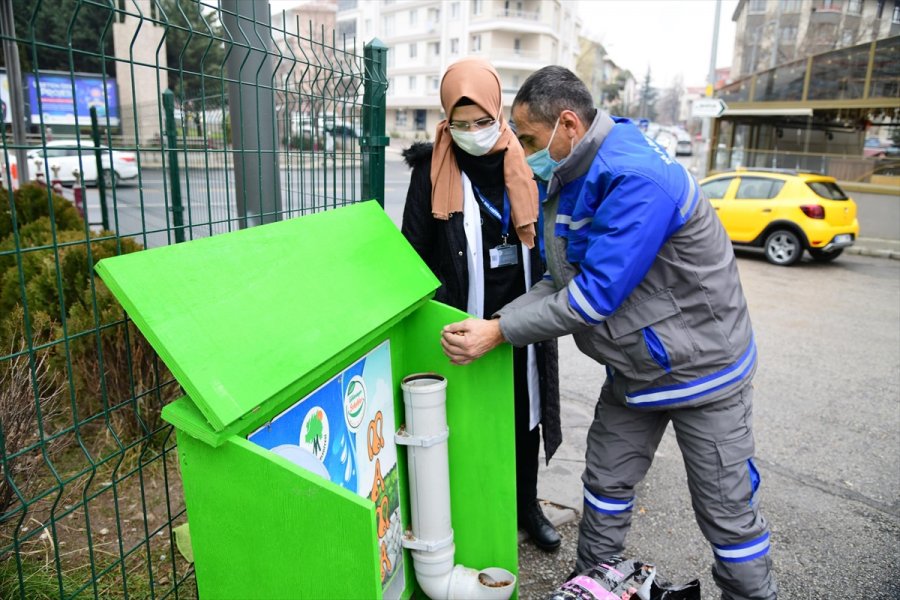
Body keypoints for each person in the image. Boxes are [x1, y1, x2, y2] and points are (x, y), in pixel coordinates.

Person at [439, 66, 778, 600]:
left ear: (567, 123)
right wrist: (494, 322)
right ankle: (592, 588)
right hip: (634, 369)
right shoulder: (572, 174)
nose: (522, 151)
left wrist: (499, 332)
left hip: (702, 374)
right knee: (605, 488)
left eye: (527, 138)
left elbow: (592, 297)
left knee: (726, 513)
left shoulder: (633, 177)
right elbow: (557, 277)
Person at [400, 57, 563, 552]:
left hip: (522, 317)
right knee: (465, 418)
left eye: (483, 122)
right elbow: (413, 252)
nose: (473, 132)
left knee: (523, 415)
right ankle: (468, 505)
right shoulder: (431, 169)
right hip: (461, 318)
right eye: (460, 123)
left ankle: (525, 504)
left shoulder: (530, 160)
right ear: (446, 120)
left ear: (499, 113)